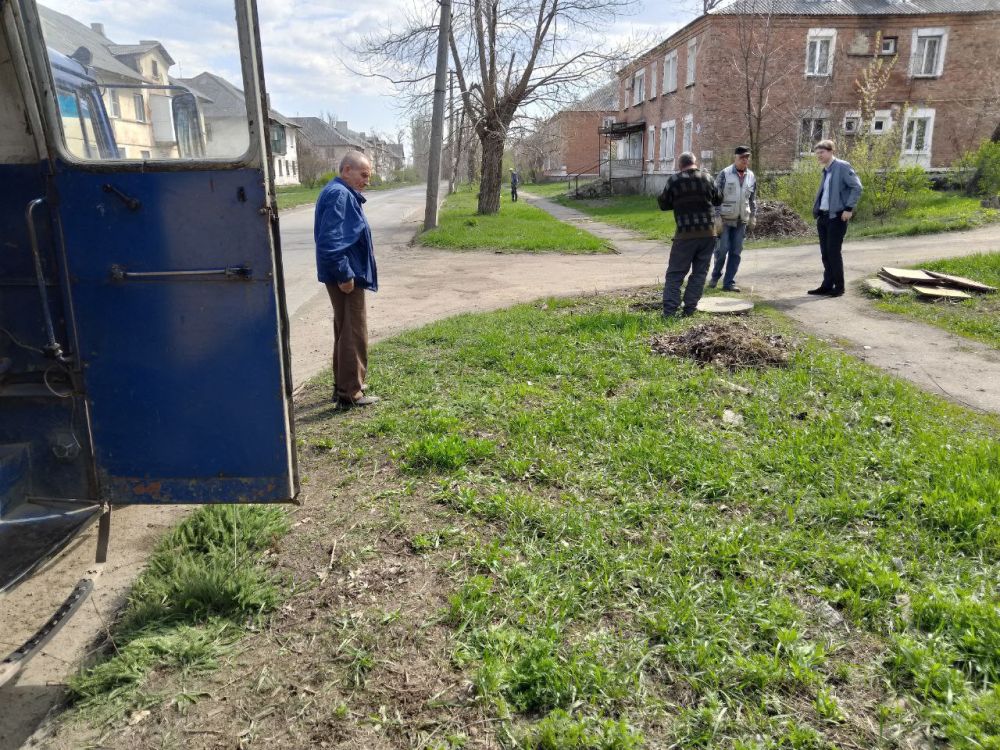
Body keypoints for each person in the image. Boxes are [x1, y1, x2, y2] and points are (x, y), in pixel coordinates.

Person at [315, 151, 379, 408]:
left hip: (346, 273)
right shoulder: (340, 195)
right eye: (363, 175)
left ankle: (343, 385)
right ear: (346, 171)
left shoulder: (338, 192)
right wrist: (344, 274)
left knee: (345, 330)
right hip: (346, 275)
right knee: (353, 331)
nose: (366, 181)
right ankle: (350, 394)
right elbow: (330, 241)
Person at [656, 152, 723, 317]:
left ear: (680, 165)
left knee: (675, 274)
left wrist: (678, 200)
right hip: (708, 234)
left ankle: (670, 311)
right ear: (695, 163)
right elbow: (719, 199)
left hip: (685, 235)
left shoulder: (674, 180)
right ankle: (689, 309)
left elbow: (664, 204)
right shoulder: (708, 178)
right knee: (699, 273)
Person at [809, 139, 862, 297]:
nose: (819, 155)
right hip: (824, 217)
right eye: (817, 153)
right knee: (825, 253)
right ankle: (827, 285)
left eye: (822, 152)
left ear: (831, 151)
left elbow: (857, 187)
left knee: (833, 252)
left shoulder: (842, 166)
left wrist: (848, 208)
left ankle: (839, 287)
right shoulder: (826, 170)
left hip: (837, 216)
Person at [708, 145, 757, 293]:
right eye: (742, 157)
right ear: (735, 158)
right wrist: (716, 217)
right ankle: (715, 276)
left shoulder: (751, 176)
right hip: (725, 219)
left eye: (747, 157)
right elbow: (715, 197)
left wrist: (753, 216)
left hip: (741, 219)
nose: (745, 160)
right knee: (722, 251)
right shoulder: (725, 174)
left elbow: (752, 198)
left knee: (736, 252)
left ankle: (729, 283)